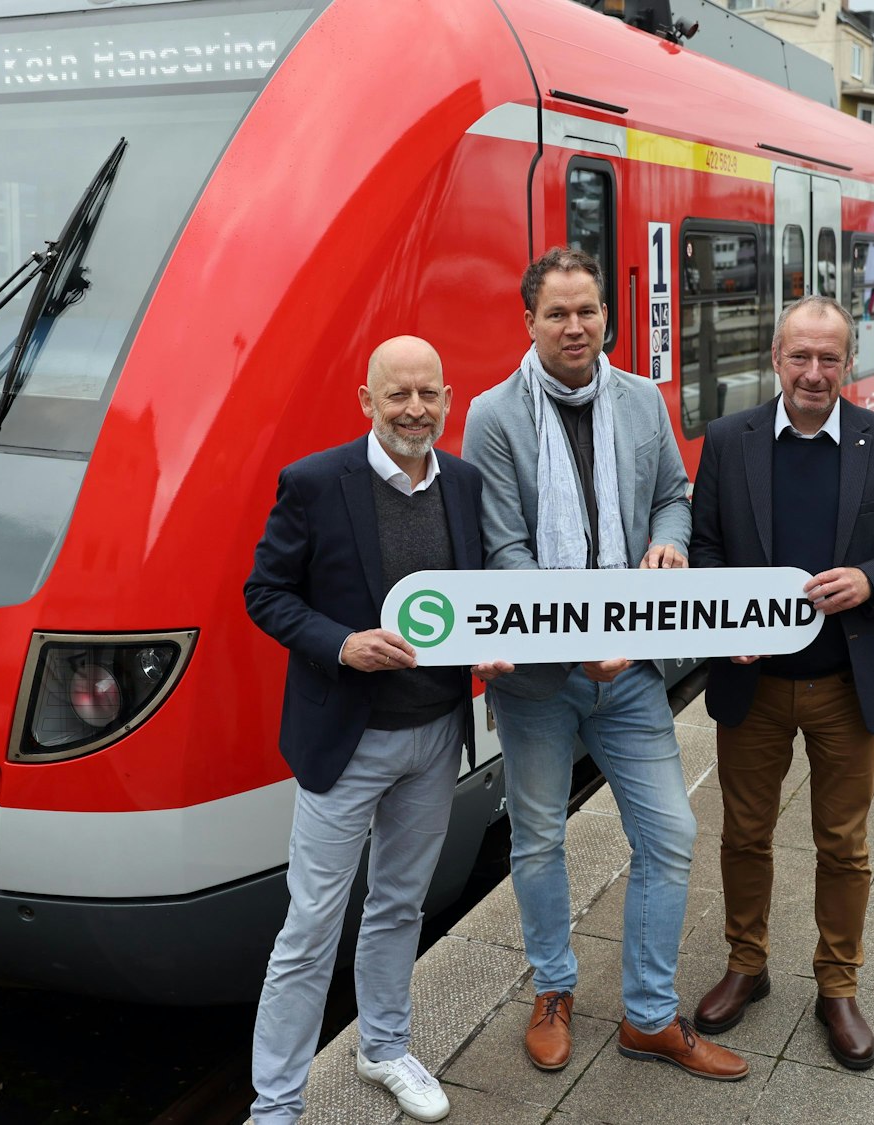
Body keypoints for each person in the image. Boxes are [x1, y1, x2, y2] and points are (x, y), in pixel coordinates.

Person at [463, 247, 747, 1082]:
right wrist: (576, 635)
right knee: (539, 837)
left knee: (670, 832)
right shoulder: (493, 415)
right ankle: (553, 989)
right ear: (530, 322)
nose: (576, 326)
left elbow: (671, 491)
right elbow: (504, 547)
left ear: (605, 318)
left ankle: (649, 1016)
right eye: (557, 313)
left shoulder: (639, 400)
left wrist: (668, 538)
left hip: (631, 676)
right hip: (540, 683)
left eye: (587, 310)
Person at [242, 336, 509, 1125]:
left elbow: (478, 594)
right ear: (367, 401)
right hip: (345, 742)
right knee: (312, 922)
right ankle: (275, 1103)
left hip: (434, 737)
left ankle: (384, 1045)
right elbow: (265, 593)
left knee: (399, 903)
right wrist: (342, 643)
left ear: (449, 400)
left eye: (428, 394)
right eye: (398, 395)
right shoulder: (316, 483)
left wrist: (493, 644)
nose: (414, 410)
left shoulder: (464, 483)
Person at [687, 296, 874, 1070]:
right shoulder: (729, 443)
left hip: (846, 682)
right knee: (745, 832)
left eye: (828, 358)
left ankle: (837, 985)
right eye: (799, 356)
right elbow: (704, 547)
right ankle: (748, 964)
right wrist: (725, 621)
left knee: (843, 843)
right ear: (775, 359)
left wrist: (872, 579)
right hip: (754, 687)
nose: (813, 372)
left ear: (847, 363)